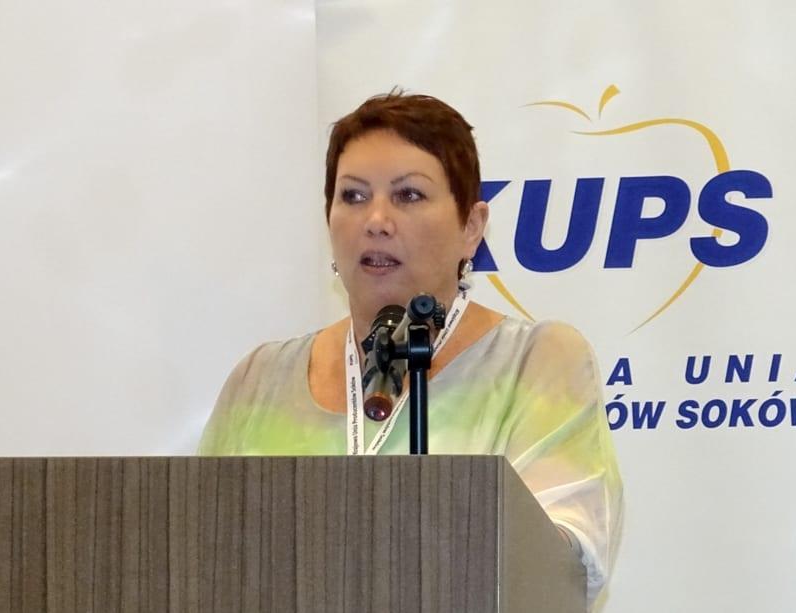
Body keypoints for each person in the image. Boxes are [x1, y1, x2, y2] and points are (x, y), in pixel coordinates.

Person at [198, 91, 623, 607]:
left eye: (408, 195)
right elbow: (200, 556)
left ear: (471, 227)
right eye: (353, 196)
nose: (376, 220)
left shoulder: (536, 362)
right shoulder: (259, 380)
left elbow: (564, 568)